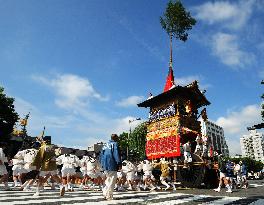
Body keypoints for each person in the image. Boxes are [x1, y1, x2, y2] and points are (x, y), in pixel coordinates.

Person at [100, 134, 121, 200]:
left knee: (108, 179)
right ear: (115, 138)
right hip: (112, 163)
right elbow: (116, 153)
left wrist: (102, 163)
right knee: (112, 179)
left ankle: (105, 192)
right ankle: (108, 194)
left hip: (105, 164)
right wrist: (119, 163)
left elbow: (101, 154)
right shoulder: (115, 144)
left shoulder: (105, 145)